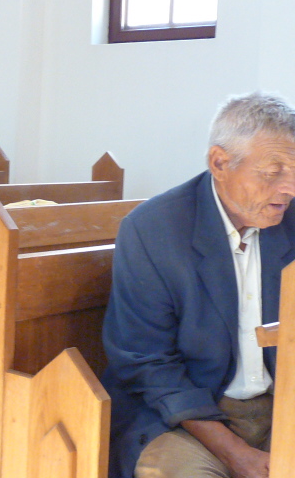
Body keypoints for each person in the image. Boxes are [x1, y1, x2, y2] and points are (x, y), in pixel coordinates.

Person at [102, 92, 295, 478]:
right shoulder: (154, 229)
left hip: (281, 405)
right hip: (183, 416)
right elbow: (147, 363)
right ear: (219, 163)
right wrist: (236, 453)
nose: (289, 188)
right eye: (272, 172)